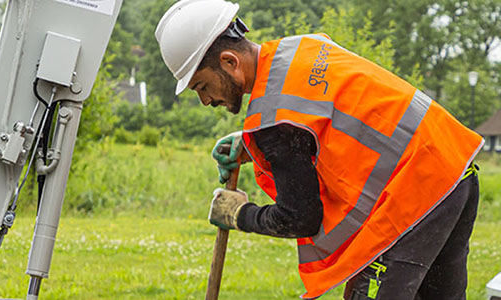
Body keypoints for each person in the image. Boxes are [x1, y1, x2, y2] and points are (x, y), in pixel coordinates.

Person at [155, 0, 484, 299]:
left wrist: (240, 214)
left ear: (229, 62)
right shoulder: (304, 47)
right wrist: (252, 145)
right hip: (455, 166)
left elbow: (298, 218)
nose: (205, 100)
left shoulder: (275, 122)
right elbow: (332, 116)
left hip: (417, 195)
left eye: (201, 85)